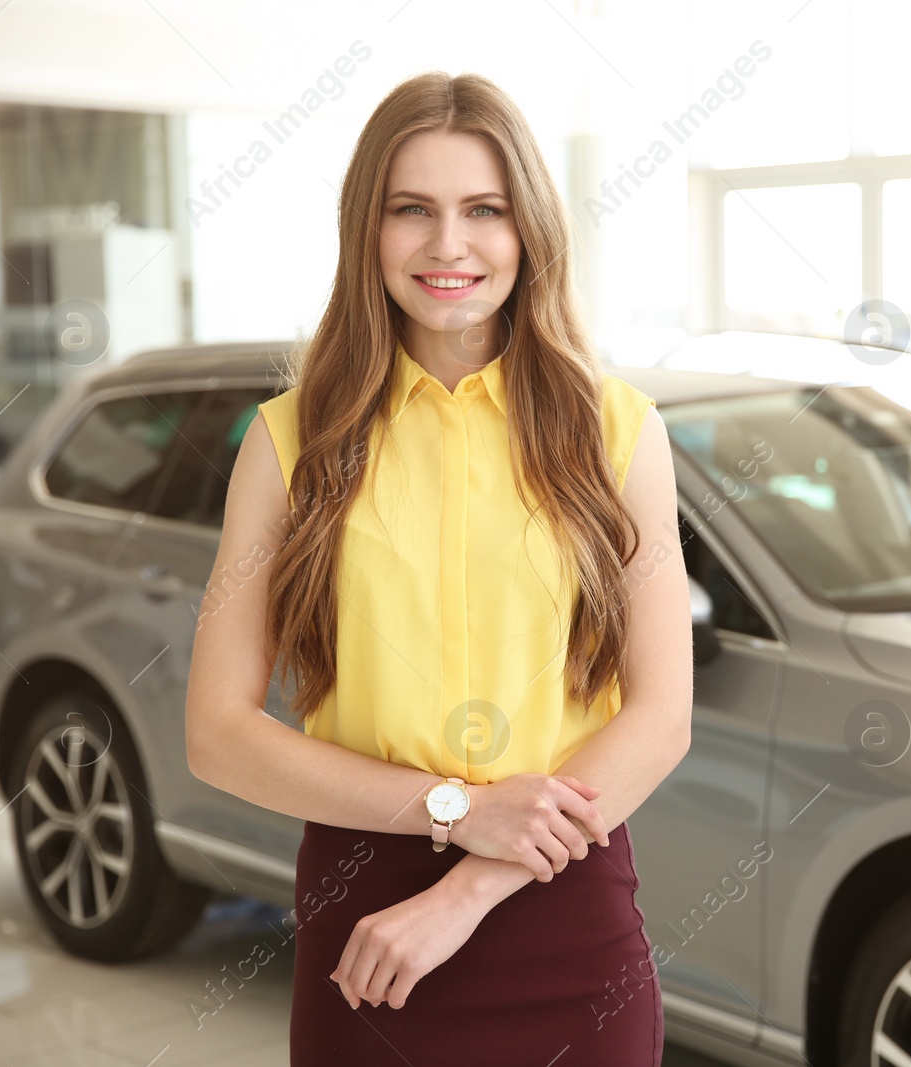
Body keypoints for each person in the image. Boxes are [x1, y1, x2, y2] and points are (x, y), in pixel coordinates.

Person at [184, 70, 692, 1067]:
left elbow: (660, 715)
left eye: (483, 210)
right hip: (369, 920)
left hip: (563, 903)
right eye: (410, 209)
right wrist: (455, 809)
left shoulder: (619, 434)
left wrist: (470, 883)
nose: (448, 244)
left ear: (528, 230)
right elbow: (216, 732)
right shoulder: (291, 443)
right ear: (365, 232)